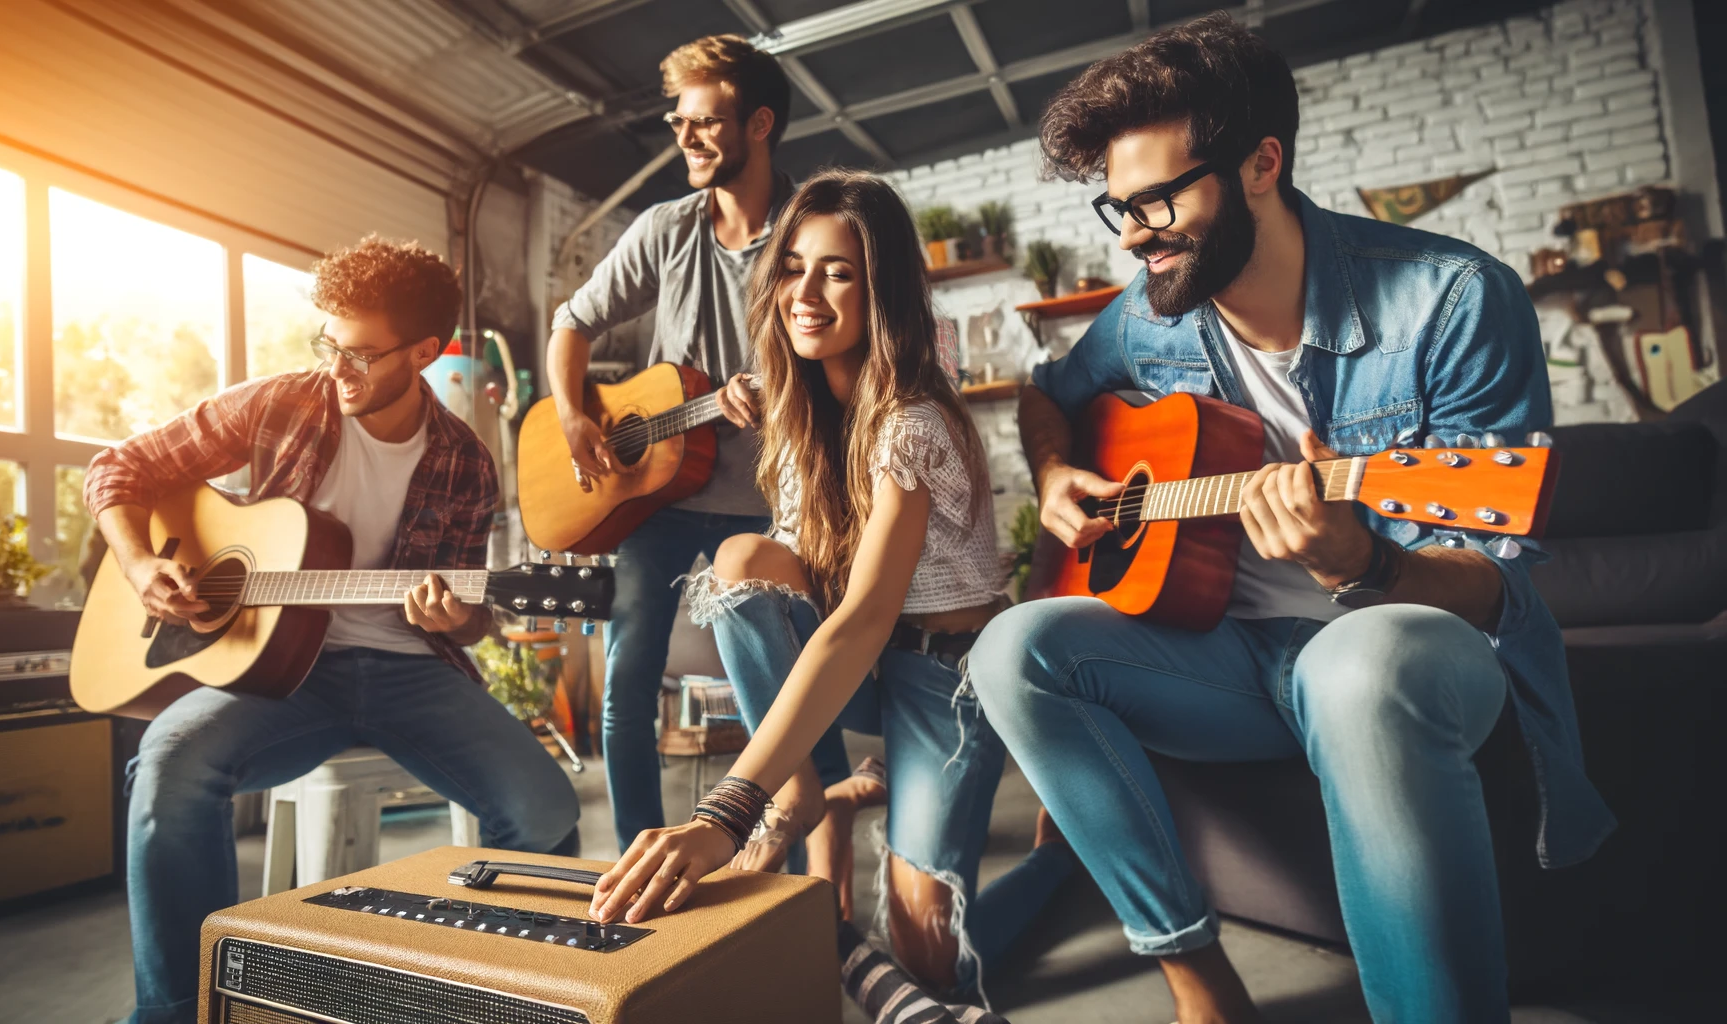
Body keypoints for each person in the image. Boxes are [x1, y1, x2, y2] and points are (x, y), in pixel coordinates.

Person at [961, 14, 1616, 1024]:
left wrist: (1359, 563)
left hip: (1407, 649)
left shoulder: (1449, 301)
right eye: (1116, 208)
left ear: (1261, 163)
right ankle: (1196, 975)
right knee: (1011, 646)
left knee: (1356, 662)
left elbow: (1488, 579)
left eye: (1157, 201)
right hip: (1221, 655)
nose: (1133, 235)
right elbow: (1048, 390)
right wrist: (1052, 472)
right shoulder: (1149, 308)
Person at [587, 171, 1074, 1021]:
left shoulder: (912, 421)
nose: (804, 293)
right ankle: (809, 791)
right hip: (869, 673)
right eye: (792, 268)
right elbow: (806, 588)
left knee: (930, 961)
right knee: (741, 556)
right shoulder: (801, 419)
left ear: (880, 287)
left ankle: (1065, 860)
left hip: (945, 681)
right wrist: (772, 790)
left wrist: (722, 811)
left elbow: (859, 619)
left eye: (838, 271)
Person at [87, 236, 581, 1024]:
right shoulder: (280, 403)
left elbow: (475, 615)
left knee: (548, 814)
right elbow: (118, 469)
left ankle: (492, 1001)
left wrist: (462, 615)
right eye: (329, 345)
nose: (338, 369)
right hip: (279, 675)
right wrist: (141, 561)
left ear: (424, 352)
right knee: (169, 765)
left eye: (360, 354)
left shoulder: (465, 463)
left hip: (408, 670)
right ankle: (182, 1013)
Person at [548, 34, 821, 851]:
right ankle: (638, 852)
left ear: (761, 123)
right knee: (624, 687)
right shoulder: (666, 229)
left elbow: (857, 351)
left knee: (797, 682)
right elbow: (572, 321)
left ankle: (813, 847)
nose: (688, 138)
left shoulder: (814, 229)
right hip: (660, 498)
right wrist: (573, 414)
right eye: (680, 122)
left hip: (770, 504)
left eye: (706, 122)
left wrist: (790, 391)